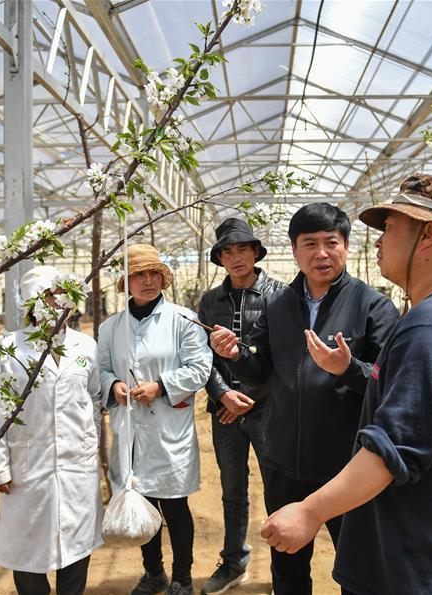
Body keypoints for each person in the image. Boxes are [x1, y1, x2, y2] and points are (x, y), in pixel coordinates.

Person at [260, 174, 432, 594]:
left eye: (390, 229)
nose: (378, 242)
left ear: (427, 234)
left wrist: (309, 511)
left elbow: (391, 450)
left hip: (413, 566)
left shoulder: (428, 329)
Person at [209, 203, 400, 595]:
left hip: (348, 468)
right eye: (309, 244)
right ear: (294, 251)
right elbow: (260, 371)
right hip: (285, 464)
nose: (321, 253)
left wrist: (348, 368)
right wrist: (236, 355)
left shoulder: (372, 307)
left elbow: (392, 383)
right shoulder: (279, 306)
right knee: (289, 568)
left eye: (331, 242)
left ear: (346, 246)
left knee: (360, 569)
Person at [0, 265, 103, 595]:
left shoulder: (85, 346)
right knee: (27, 547)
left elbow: (93, 397)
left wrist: (93, 445)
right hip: (27, 465)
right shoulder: (7, 351)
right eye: (47, 298)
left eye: (62, 297)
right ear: (30, 304)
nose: (56, 305)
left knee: (77, 544)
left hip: (78, 464)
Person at [97, 244, 212, 595]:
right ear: (126, 282)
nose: (148, 281)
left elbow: (200, 367)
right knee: (139, 502)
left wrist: (161, 386)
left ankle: (182, 578)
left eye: (154, 274)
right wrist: (113, 384)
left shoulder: (183, 319)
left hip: (167, 431)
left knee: (175, 507)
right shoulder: (111, 327)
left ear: (163, 277)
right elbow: (100, 370)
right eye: (139, 274)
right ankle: (154, 573)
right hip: (130, 431)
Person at [197, 218, 286, 594]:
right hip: (224, 412)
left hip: (268, 411)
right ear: (220, 258)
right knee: (232, 489)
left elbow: (283, 357)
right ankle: (235, 561)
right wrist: (222, 394)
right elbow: (201, 357)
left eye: (241, 249)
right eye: (227, 251)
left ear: (255, 252)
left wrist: (251, 400)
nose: (235, 258)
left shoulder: (280, 295)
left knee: (278, 489)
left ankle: (285, 569)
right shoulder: (209, 301)